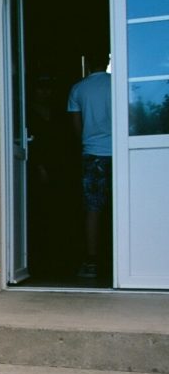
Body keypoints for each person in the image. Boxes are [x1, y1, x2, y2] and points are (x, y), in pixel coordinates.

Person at [67, 51, 112, 279]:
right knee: (125, 206)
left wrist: (84, 145)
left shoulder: (78, 88)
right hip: (122, 153)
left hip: (92, 153)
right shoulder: (117, 84)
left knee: (93, 209)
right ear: (107, 60)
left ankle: (92, 262)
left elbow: (77, 125)